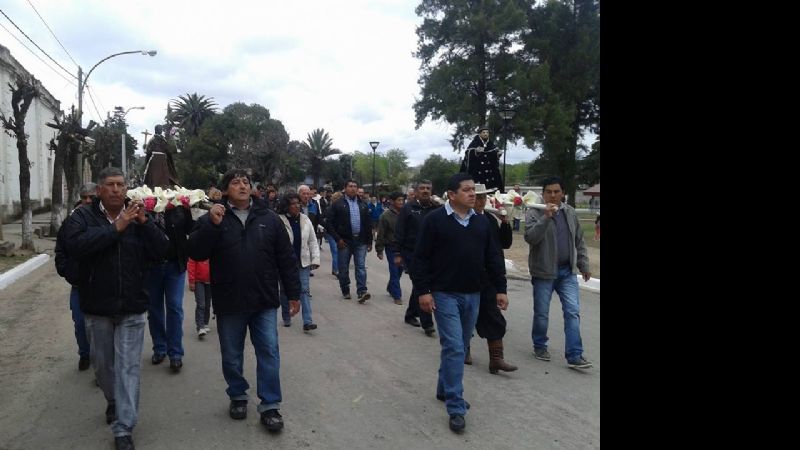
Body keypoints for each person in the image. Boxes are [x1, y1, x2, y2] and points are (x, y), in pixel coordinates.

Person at [63, 167, 169, 450]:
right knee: (103, 367)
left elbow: (163, 251)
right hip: (97, 307)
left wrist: (145, 224)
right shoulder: (83, 217)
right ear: (99, 190)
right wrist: (114, 229)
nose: (116, 189)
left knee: (128, 368)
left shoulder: (138, 215)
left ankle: (124, 427)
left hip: (132, 306)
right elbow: (73, 246)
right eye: (110, 185)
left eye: (120, 185)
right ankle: (114, 401)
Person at [187, 168, 300, 432]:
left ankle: (270, 406)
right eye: (235, 182)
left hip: (264, 300)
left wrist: (293, 294)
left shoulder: (269, 218)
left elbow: (286, 259)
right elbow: (196, 251)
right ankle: (237, 394)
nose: (242, 186)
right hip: (230, 301)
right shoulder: (214, 217)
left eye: (246, 182)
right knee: (231, 354)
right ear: (225, 190)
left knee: (269, 352)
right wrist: (212, 225)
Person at [412, 173, 507, 433]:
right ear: (452, 195)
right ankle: (455, 405)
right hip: (444, 294)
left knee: (460, 344)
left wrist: (501, 289)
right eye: (466, 190)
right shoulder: (434, 221)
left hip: (474, 294)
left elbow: (493, 257)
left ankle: (444, 388)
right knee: (455, 347)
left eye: (473, 189)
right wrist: (423, 291)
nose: (472, 194)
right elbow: (420, 258)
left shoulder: (481, 222)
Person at [524, 176, 593, 370]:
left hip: (566, 272)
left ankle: (575, 355)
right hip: (543, 272)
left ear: (563, 193)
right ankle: (539, 345)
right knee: (542, 313)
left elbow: (579, 240)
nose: (553, 195)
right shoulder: (534, 212)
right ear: (543, 193)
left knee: (572, 312)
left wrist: (583, 264)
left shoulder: (569, 212)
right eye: (549, 192)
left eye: (556, 192)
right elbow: (531, 238)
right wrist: (546, 217)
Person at [469, 184, 517, 374]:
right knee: (466, 316)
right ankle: (463, 350)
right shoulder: (462, 219)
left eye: (483, 197)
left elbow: (503, 244)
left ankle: (496, 358)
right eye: (477, 197)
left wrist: (505, 223)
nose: (480, 201)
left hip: (488, 277)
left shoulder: (489, 219)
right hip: (466, 277)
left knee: (493, 316)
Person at [146, 198, 194, 373]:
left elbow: (191, 229)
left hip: (175, 265)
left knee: (174, 307)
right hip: (151, 266)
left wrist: (190, 208)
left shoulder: (179, 206)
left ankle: (175, 353)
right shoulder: (144, 203)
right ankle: (160, 347)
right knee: (154, 309)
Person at [54, 182, 97, 371]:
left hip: (101, 284)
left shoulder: (104, 219)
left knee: (100, 327)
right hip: (79, 285)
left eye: (91, 197)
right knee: (80, 323)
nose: (87, 201)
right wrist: (67, 270)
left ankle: (101, 365)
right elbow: (61, 249)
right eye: (84, 197)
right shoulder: (70, 222)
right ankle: (85, 354)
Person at [395, 180, 439, 335]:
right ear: (416, 191)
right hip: (411, 254)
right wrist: (397, 253)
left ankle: (410, 313)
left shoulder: (436, 209)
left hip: (431, 254)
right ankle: (427, 324)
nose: (425, 190)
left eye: (428, 188)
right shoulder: (408, 208)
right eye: (422, 188)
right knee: (421, 284)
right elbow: (400, 231)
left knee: (419, 285)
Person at [277, 193, 321, 331]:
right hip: (284, 263)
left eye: (298, 203)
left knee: (304, 290)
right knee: (285, 290)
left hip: (303, 261)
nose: (297, 206)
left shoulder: (305, 219)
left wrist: (315, 258)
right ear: (286, 206)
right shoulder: (278, 220)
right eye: (293, 204)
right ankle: (286, 315)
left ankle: (307, 321)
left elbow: (312, 240)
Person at [325, 180, 373, 303]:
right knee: (343, 268)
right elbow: (329, 223)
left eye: (355, 186)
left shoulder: (363, 204)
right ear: (345, 188)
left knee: (361, 266)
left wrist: (369, 241)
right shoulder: (337, 204)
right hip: (344, 241)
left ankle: (362, 291)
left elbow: (368, 224)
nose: (353, 188)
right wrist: (338, 239)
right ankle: (345, 289)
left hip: (360, 241)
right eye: (350, 186)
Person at [375, 192, 405, 305]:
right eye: (399, 200)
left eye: (402, 200)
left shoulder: (406, 213)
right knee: (394, 270)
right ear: (392, 201)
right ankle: (397, 295)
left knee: (400, 270)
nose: (401, 202)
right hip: (391, 247)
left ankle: (390, 287)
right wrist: (379, 250)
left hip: (403, 247)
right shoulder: (385, 216)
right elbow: (381, 234)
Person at [460, 127, 503, 192]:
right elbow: (468, 153)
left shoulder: (491, 144)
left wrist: (497, 154)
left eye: (487, 132)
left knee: (492, 190)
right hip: (477, 173)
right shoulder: (475, 143)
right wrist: (476, 151)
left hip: (489, 175)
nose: (486, 134)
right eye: (484, 132)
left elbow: (493, 158)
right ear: (480, 134)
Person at [188, 257, 212, 338]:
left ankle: (205, 323)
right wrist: (191, 281)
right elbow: (191, 264)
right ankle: (200, 327)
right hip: (198, 281)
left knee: (208, 304)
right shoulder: (196, 250)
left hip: (210, 281)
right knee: (201, 304)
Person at [322, 191, 342, 276]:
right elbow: (326, 221)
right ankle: (336, 270)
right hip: (331, 233)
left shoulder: (342, 208)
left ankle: (335, 269)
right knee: (335, 251)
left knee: (338, 251)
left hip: (339, 233)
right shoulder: (329, 209)